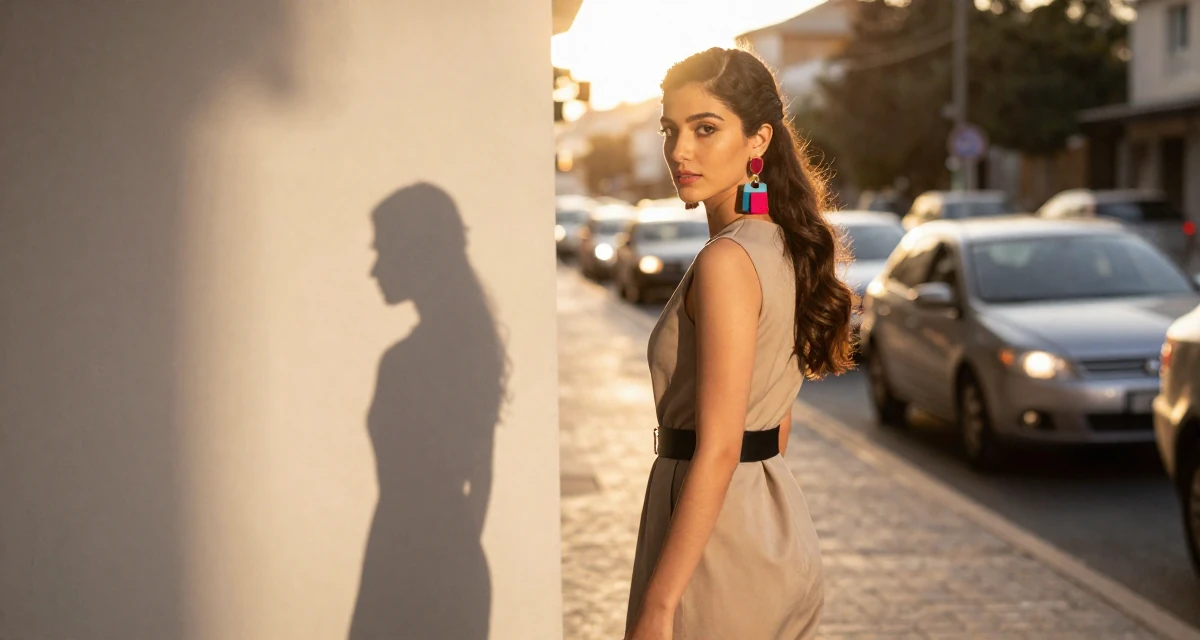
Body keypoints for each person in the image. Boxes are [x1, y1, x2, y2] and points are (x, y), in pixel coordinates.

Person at [624, 48, 856, 640]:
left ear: (759, 140)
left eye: (705, 128)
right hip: (772, 525)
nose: (679, 150)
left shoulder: (727, 261)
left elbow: (722, 446)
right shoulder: (782, 246)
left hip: (718, 549)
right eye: (670, 130)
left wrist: (659, 605)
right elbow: (775, 425)